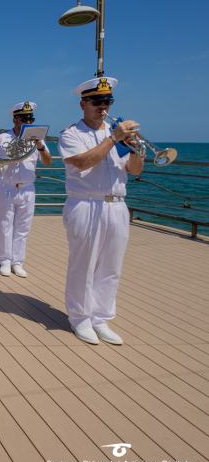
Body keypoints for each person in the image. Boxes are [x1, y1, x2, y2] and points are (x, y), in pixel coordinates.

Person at [58, 76, 142, 345]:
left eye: (107, 101)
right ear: (83, 103)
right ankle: (80, 318)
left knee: (111, 266)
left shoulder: (117, 134)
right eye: (97, 101)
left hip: (117, 206)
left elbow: (135, 170)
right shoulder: (71, 133)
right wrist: (113, 138)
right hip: (85, 203)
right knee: (83, 265)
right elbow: (82, 162)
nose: (102, 106)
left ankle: (101, 318)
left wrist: (137, 149)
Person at [0, 101, 52, 278]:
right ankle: (5, 261)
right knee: (5, 225)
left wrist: (40, 146)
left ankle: (17, 262)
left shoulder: (37, 139)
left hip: (27, 188)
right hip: (7, 187)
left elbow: (48, 161)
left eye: (31, 118)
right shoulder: (3, 138)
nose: (29, 121)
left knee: (23, 227)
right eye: (25, 118)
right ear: (16, 119)